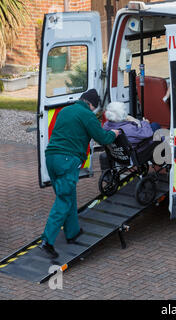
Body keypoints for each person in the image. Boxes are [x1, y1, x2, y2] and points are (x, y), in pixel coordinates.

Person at [40, 89, 120, 259]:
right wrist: (114, 133)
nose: (93, 111)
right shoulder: (87, 115)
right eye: (94, 108)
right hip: (67, 161)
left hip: (51, 159)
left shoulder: (65, 110)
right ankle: (47, 241)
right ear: (91, 104)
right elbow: (102, 138)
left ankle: (73, 232)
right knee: (63, 200)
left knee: (68, 195)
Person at [99, 102, 161, 170]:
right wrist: (145, 123)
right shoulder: (127, 128)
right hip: (134, 154)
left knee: (153, 126)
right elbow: (147, 134)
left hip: (117, 155)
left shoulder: (105, 126)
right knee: (155, 125)